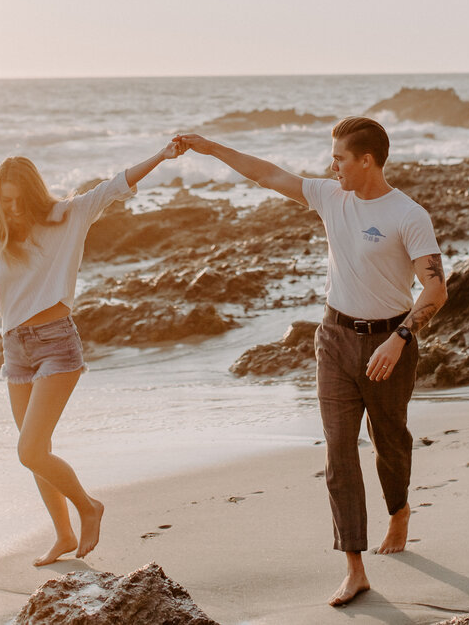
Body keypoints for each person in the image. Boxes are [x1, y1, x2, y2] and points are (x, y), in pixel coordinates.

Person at [176, 117, 447, 607]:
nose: (332, 165)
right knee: (338, 451)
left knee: (390, 441)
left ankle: (399, 508)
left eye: (340, 158)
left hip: (391, 343)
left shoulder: (409, 214)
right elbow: (268, 175)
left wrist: (400, 339)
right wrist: (210, 147)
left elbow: (435, 287)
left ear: (367, 160)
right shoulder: (330, 196)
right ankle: (355, 566)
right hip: (335, 339)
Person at [0, 141, 181, 566]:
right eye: (5, 202)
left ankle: (89, 507)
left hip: (57, 343)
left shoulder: (67, 216)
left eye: (21, 201)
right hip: (15, 350)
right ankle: (62, 535)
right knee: (36, 449)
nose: (14, 210)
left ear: (34, 195)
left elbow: (115, 186)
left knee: (30, 450)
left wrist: (162, 156)